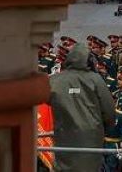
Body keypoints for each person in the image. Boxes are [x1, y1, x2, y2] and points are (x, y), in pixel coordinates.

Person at [48, 43, 117, 172]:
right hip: (91, 136)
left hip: (64, 134)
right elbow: (108, 110)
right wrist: (106, 128)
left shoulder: (54, 80)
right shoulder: (95, 79)